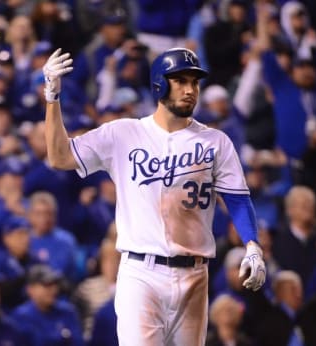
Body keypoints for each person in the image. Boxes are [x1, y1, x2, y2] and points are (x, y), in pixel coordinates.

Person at [41, 47, 267, 345]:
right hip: (141, 273)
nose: (190, 90)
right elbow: (59, 157)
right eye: (181, 81)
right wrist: (52, 97)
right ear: (159, 83)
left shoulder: (216, 142)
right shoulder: (122, 133)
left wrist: (253, 244)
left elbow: (237, 198)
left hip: (195, 275)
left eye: (194, 82)